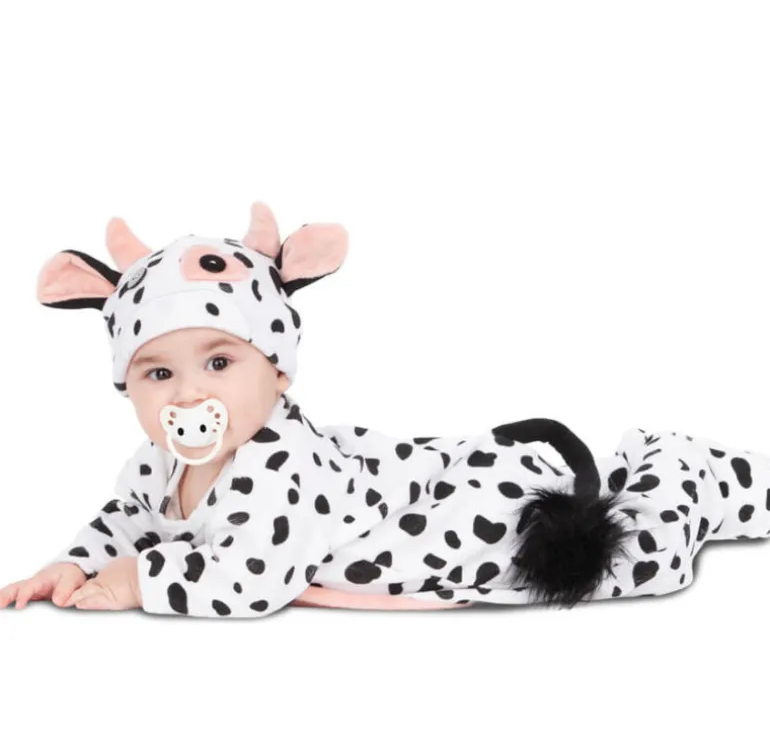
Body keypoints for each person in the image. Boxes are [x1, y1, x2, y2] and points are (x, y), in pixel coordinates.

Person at [2, 201, 770, 618]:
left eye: (220, 362)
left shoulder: (275, 465)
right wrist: (74, 561)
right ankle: (640, 467)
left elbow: (249, 580)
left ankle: (696, 477)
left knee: (638, 554)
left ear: (278, 371)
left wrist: (140, 581)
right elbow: (127, 518)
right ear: (126, 385)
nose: (187, 393)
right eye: (157, 372)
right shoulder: (155, 466)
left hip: (459, 523)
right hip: (411, 480)